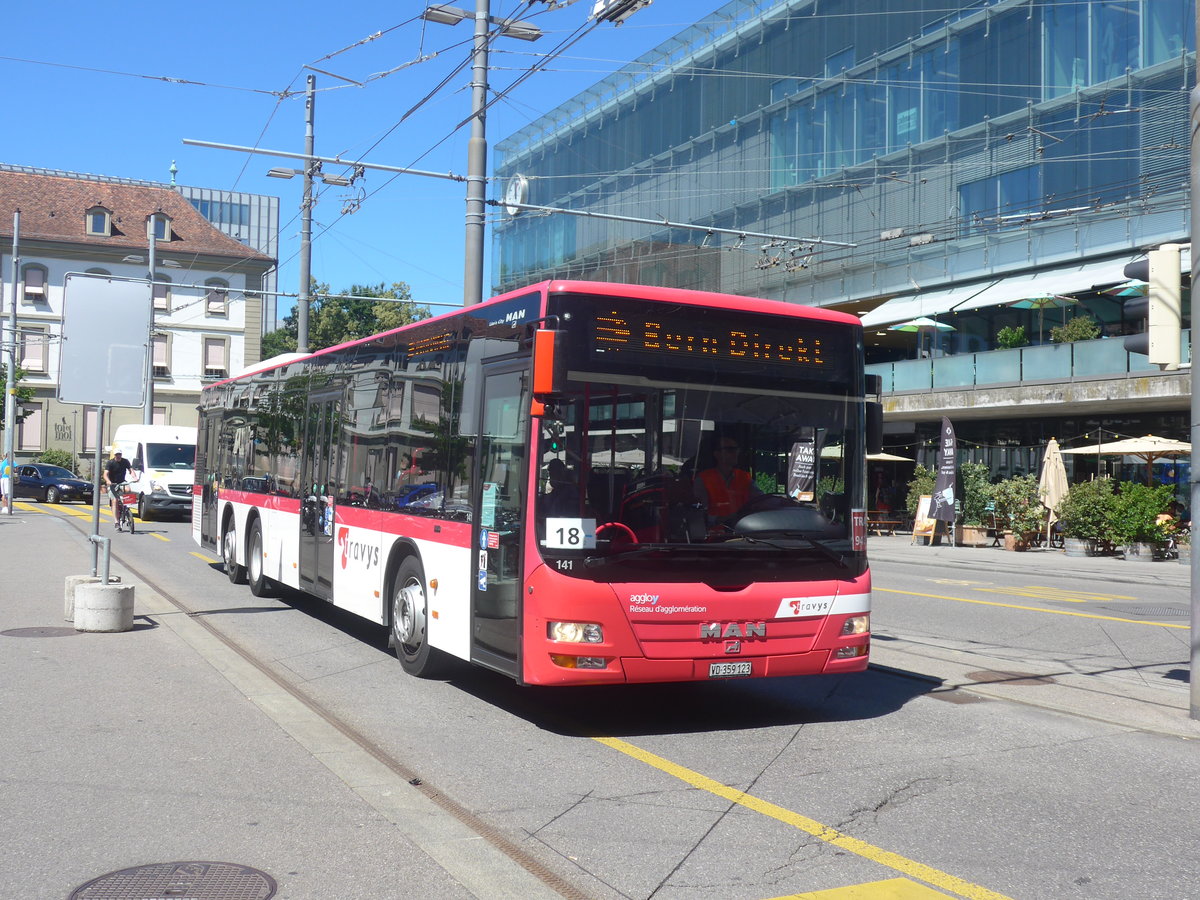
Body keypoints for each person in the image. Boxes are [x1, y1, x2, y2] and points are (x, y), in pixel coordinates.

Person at [693, 434, 761, 525]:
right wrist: (718, 519)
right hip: (714, 535)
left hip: (744, 531)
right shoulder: (703, 479)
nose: (735, 453)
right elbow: (698, 512)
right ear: (717, 454)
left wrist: (779, 502)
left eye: (737, 449)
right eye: (730, 450)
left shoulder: (744, 477)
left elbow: (760, 499)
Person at [104, 449, 134, 526]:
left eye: (119, 454)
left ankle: (126, 507)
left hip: (122, 482)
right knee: (115, 501)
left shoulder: (125, 461)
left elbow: (131, 470)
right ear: (114, 455)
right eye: (116, 454)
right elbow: (105, 474)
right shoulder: (110, 463)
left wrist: (135, 477)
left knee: (128, 489)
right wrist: (108, 481)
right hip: (112, 484)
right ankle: (116, 522)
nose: (118, 456)